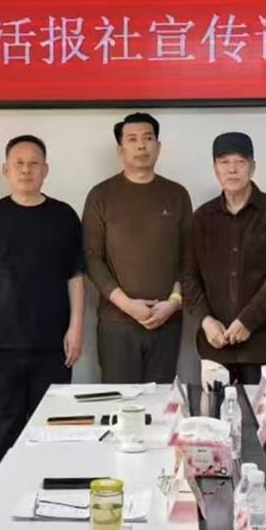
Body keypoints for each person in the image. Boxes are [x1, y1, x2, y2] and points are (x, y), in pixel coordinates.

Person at [0, 135, 85, 463]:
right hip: (0, 346)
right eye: (18, 163)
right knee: (4, 433)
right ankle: (6, 495)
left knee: (53, 432)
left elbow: (75, 277)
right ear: (6, 170)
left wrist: (76, 328)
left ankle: (46, 493)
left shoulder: (64, 216)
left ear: (46, 170)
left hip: (53, 346)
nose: (26, 170)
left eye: (34, 163)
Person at [82, 113, 192, 383]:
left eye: (148, 138)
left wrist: (174, 303)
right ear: (121, 150)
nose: (141, 145)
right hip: (117, 323)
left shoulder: (177, 194)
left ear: (158, 146)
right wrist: (127, 305)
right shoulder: (101, 195)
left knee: (162, 402)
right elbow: (91, 258)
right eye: (132, 139)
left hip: (167, 321)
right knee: (120, 402)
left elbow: (189, 257)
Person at [182, 132, 266, 384]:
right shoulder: (202, 217)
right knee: (214, 409)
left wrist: (248, 321)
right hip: (216, 344)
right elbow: (189, 275)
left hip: (265, 346)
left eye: (240, 162)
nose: (232, 169)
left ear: (252, 167)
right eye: (224, 162)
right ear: (215, 169)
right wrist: (205, 320)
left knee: (265, 410)